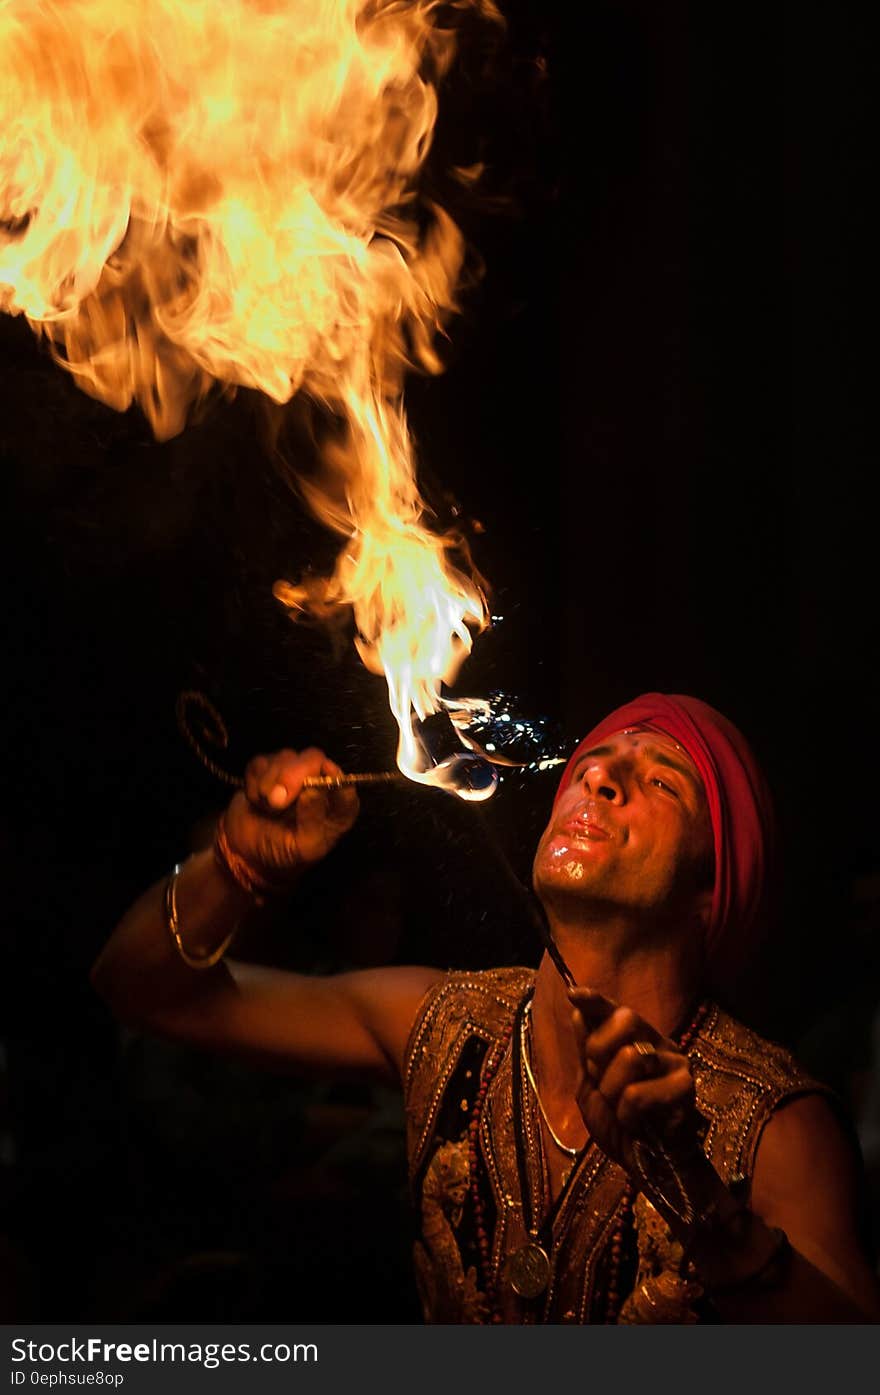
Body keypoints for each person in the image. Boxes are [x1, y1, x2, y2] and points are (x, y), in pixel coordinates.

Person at [91, 692, 880, 1322]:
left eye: (662, 781)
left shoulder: (777, 1123)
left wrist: (699, 1192)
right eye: (592, 763)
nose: (598, 779)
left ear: (716, 887)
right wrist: (236, 865)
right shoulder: (443, 1020)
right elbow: (139, 988)